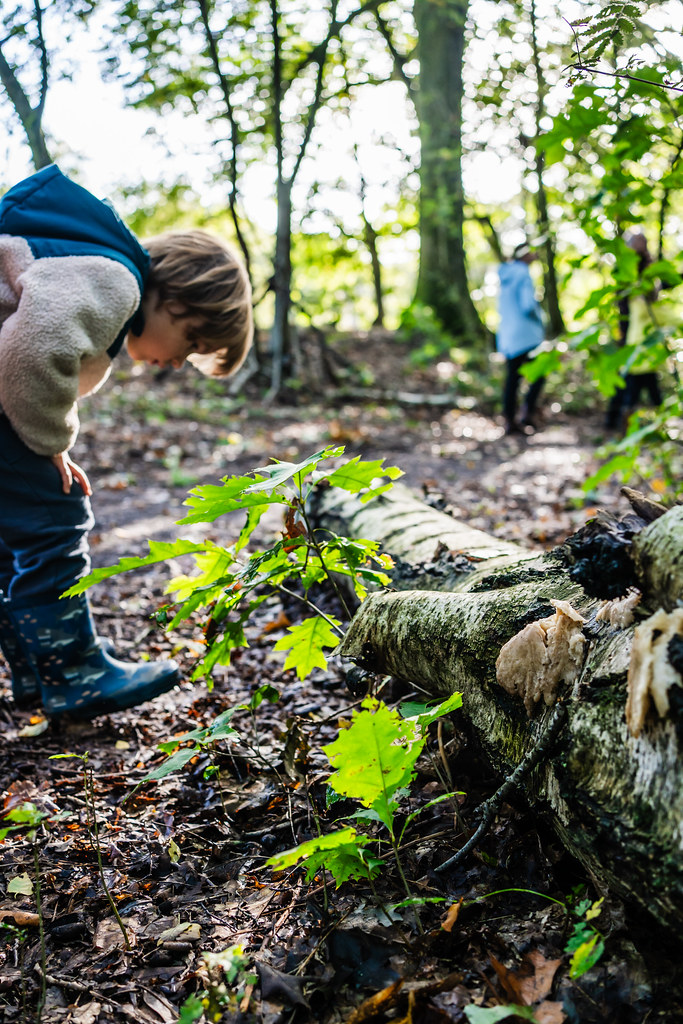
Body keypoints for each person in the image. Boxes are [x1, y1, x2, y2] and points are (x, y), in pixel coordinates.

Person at [0, 164, 253, 719]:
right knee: (56, 517)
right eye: (189, 342)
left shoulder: (87, 267)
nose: (177, 360)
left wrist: (48, 444)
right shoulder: (118, 281)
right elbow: (33, 352)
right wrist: (50, 442)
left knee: (12, 536)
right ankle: (73, 672)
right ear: (174, 298)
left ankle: (37, 668)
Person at [605, 231, 663, 430]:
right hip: (627, 331)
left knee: (644, 382)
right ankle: (615, 422)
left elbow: (654, 297)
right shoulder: (624, 268)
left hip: (645, 333)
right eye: (637, 241)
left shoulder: (650, 268)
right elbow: (621, 302)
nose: (640, 244)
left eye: (643, 241)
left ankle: (654, 423)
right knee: (629, 382)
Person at [496, 241, 545, 435]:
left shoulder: (505, 275)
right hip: (527, 336)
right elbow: (527, 306)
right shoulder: (523, 273)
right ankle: (527, 413)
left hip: (508, 337)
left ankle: (509, 419)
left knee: (512, 379)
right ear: (524, 255)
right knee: (539, 374)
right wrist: (539, 318)